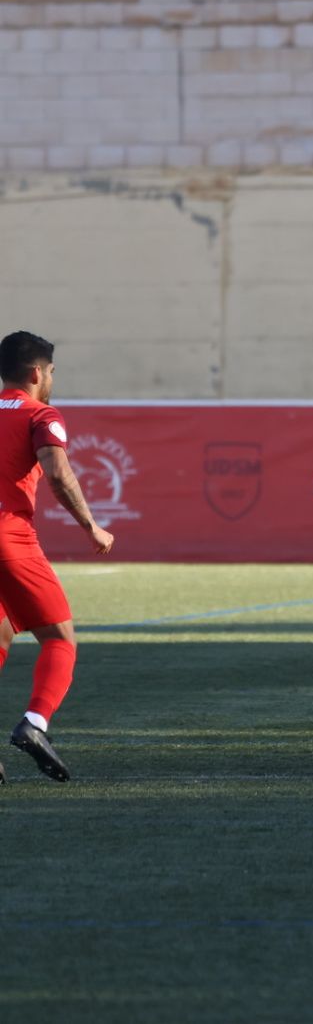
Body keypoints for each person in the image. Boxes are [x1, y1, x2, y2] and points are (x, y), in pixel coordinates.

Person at [0, 331, 115, 784]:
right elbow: (58, 472)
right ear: (35, 373)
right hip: (10, 536)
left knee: (4, 633)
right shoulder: (41, 414)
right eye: (50, 372)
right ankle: (35, 725)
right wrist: (90, 525)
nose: (50, 380)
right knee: (61, 639)